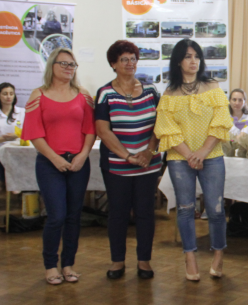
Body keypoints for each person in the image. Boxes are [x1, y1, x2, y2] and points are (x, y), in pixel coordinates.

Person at [155, 39, 232, 281]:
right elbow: (166, 130)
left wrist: (203, 152)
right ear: (178, 61)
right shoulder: (169, 94)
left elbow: (221, 121)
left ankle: (218, 254)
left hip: (212, 156)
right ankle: (190, 256)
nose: (193, 61)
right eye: (188, 56)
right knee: (185, 209)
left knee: (216, 209)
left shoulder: (212, 86)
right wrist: (190, 154)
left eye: (197, 56)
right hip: (180, 158)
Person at [22, 49, 95, 286]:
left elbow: (90, 129)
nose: (68, 68)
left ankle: (68, 264)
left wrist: (83, 155)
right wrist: (55, 158)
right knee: (56, 216)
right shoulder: (38, 95)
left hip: (78, 162)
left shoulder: (83, 95)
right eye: (63, 63)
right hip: (49, 163)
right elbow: (34, 133)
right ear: (52, 65)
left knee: (74, 216)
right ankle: (50, 265)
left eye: (72, 64)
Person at [95, 41, 164, 280]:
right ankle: (118, 261)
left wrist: (149, 151)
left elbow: (160, 125)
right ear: (113, 64)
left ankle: (144, 261)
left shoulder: (151, 91)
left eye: (133, 58)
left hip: (148, 164)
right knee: (118, 213)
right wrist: (127, 156)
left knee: (145, 212)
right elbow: (103, 130)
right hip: (117, 166)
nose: (129, 63)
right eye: (124, 59)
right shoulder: (105, 93)